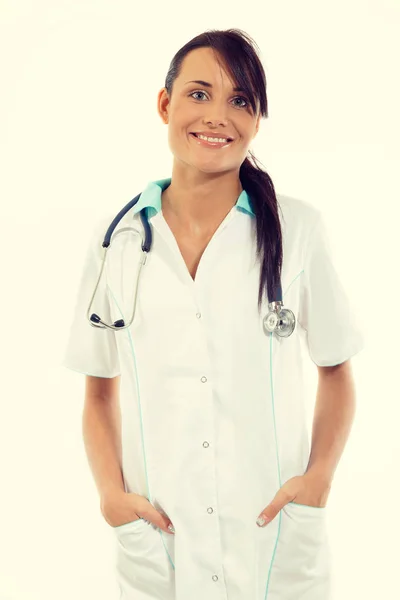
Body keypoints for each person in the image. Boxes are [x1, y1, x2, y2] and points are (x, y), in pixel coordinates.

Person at [62, 28, 364, 600]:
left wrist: (319, 476)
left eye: (241, 99)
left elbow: (336, 368)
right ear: (165, 104)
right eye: (199, 94)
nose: (218, 116)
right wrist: (111, 496)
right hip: (160, 540)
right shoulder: (117, 245)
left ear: (256, 119)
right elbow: (99, 390)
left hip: (273, 538)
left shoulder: (298, 231)